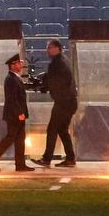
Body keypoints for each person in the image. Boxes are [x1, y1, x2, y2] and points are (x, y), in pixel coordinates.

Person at [0, 53, 35, 173]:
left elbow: (21, 92)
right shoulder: (10, 79)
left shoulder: (15, 78)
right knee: (10, 138)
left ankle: (20, 164)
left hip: (19, 115)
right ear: (12, 65)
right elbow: (11, 99)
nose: (20, 65)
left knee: (19, 140)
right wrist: (19, 113)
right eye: (18, 63)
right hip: (14, 115)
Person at [33, 39, 78, 168]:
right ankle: (70, 158)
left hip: (63, 102)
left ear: (57, 48)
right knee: (62, 129)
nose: (47, 50)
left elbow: (55, 82)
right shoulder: (65, 60)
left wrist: (43, 86)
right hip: (70, 101)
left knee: (52, 128)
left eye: (50, 48)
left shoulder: (56, 63)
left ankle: (46, 159)